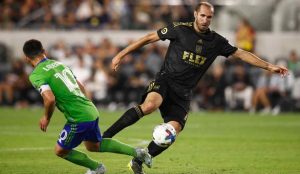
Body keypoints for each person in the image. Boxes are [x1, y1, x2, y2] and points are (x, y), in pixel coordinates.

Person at [102, 2, 289, 174]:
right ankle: (105, 136)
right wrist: (121, 54)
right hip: (166, 80)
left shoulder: (216, 41)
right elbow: (149, 37)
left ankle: (138, 161)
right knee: (150, 105)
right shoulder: (180, 29)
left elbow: (240, 54)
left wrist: (269, 66)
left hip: (183, 93)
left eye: (209, 17)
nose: (205, 20)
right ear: (195, 14)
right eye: (202, 16)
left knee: (172, 131)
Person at [22, 39, 152, 174]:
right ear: (44, 51)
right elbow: (81, 87)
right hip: (90, 109)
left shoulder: (36, 74)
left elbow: (49, 99)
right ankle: (137, 152)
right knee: (94, 145)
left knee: (60, 150)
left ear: (26, 58)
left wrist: (46, 118)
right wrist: (85, 105)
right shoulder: (59, 64)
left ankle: (96, 168)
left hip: (79, 117)